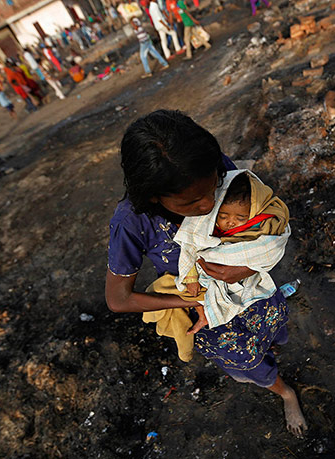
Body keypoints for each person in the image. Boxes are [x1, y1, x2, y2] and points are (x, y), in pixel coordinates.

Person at [105, 110, 308, 437]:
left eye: (214, 187)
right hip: (206, 312)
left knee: (272, 326)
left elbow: (265, 214)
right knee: (247, 359)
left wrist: (243, 267)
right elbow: (118, 299)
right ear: (155, 196)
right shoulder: (132, 221)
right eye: (193, 203)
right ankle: (285, 392)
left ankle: (271, 348)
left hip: (249, 288)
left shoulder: (207, 166)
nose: (210, 203)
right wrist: (188, 299)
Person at [143, 169, 290, 361]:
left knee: (271, 327)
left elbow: (269, 248)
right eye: (223, 216)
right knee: (244, 354)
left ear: (253, 214)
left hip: (250, 287)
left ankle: (277, 343)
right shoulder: (205, 221)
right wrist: (191, 276)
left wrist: (247, 267)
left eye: (240, 219)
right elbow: (191, 246)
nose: (230, 222)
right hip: (208, 283)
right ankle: (266, 373)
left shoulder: (263, 223)